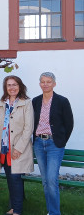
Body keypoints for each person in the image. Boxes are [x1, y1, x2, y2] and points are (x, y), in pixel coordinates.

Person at [32, 72, 73, 215]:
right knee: (45, 180)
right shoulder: (35, 101)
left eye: (48, 81)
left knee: (51, 179)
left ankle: (55, 213)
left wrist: (60, 140)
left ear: (54, 83)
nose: (45, 84)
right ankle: (51, 211)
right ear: (39, 84)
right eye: (43, 81)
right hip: (38, 143)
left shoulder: (62, 101)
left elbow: (69, 124)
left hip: (54, 144)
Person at [0, 75, 34, 215]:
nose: (12, 87)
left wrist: (19, 148)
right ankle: (13, 207)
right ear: (5, 88)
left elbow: (28, 128)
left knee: (15, 178)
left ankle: (17, 210)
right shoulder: (2, 103)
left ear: (20, 86)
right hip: (4, 147)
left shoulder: (26, 103)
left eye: (14, 84)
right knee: (10, 178)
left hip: (17, 148)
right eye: (9, 85)